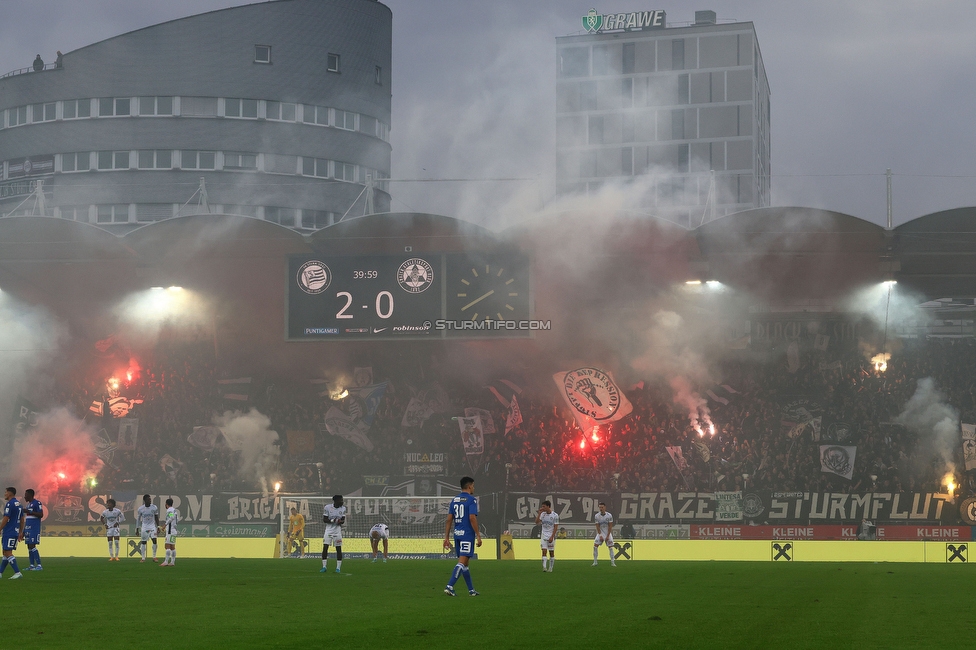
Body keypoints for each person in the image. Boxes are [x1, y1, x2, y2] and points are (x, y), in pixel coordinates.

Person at [442, 476, 482, 596]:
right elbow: (472, 517)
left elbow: (449, 520)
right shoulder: (471, 500)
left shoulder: (454, 500)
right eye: (473, 486)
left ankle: (471, 590)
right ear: (469, 486)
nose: (473, 488)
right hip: (467, 535)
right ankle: (449, 586)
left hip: (457, 534)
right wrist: (478, 535)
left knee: (465, 563)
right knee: (462, 562)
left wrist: (446, 538)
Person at [0, 487, 24, 579]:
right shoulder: (19, 504)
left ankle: (17, 572)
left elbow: (6, 518)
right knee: (5, 552)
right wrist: (20, 532)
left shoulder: (10, 504)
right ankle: (0, 573)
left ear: (10, 493)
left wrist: (0, 529)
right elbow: (22, 519)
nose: (5, 494)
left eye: (6, 492)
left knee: (8, 552)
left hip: (9, 531)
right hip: (15, 531)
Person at [320, 495, 346, 573]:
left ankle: (338, 568)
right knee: (325, 548)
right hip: (328, 531)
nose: (342, 502)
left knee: (338, 549)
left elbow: (343, 520)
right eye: (341, 500)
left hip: (337, 531)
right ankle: (324, 567)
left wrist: (339, 521)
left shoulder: (343, 508)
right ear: (335, 501)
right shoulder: (327, 507)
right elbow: (324, 519)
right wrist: (333, 521)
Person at [536, 500, 559, 572]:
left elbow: (556, 527)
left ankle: (551, 568)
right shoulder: (542, 514)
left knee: (551, 552)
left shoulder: (555, 515)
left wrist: (552, 536)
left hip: (551, 535)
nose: (542, 508)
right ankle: (544, 567)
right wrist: (539, 514)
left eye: (544, 506)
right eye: (542, 506)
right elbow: (536, 522)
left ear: (548, 506)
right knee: (544, 551)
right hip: (544, 535)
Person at [136, 494, 160, 563]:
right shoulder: (141, 509)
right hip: (144, 527)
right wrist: (137, 529)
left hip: (152, 527)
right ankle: (143, 558)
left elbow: (156, 517)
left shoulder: (154, 507)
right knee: (143, 542)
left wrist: (158, 526)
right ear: (145, 500)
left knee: (154, 540)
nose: (150, 501)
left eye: (150, 499)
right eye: (148, 500)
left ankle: (154, 557)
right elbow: (138, 519)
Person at [23, 489, 42, 571]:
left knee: (32, 545)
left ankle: (39, 565)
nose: (24, 496)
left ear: (30, 495)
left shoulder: (37, 503)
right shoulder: (28, 505)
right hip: (28, 528)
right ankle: (31, 565)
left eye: (26, 495)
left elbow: (41, 514)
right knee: (29, 546)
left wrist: (29, 511)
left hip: (34, 527)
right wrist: (23, 531)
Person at [593, 502, 616, 567]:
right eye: (600, 507)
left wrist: (608, 535)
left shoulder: (609, 515)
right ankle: (595, 562)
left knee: (611, 547)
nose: (601, 508)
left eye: (602, 507)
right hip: (600, 533)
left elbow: (610, 526)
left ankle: (612, 562)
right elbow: (597, 526)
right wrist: (600, 535)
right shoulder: (597, 516)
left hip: (607, 533)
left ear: (605, 507)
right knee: (595, 546)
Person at [160, 498, 179, 566]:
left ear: (166, 504)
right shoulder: (175, 510)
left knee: (167, 546)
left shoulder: (169, 510)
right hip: (174, 530)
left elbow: (171, 517)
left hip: (170, 531)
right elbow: (177, 519)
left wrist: (165, 525)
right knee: (172, 547)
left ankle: (166, 561)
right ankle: (172, 562)